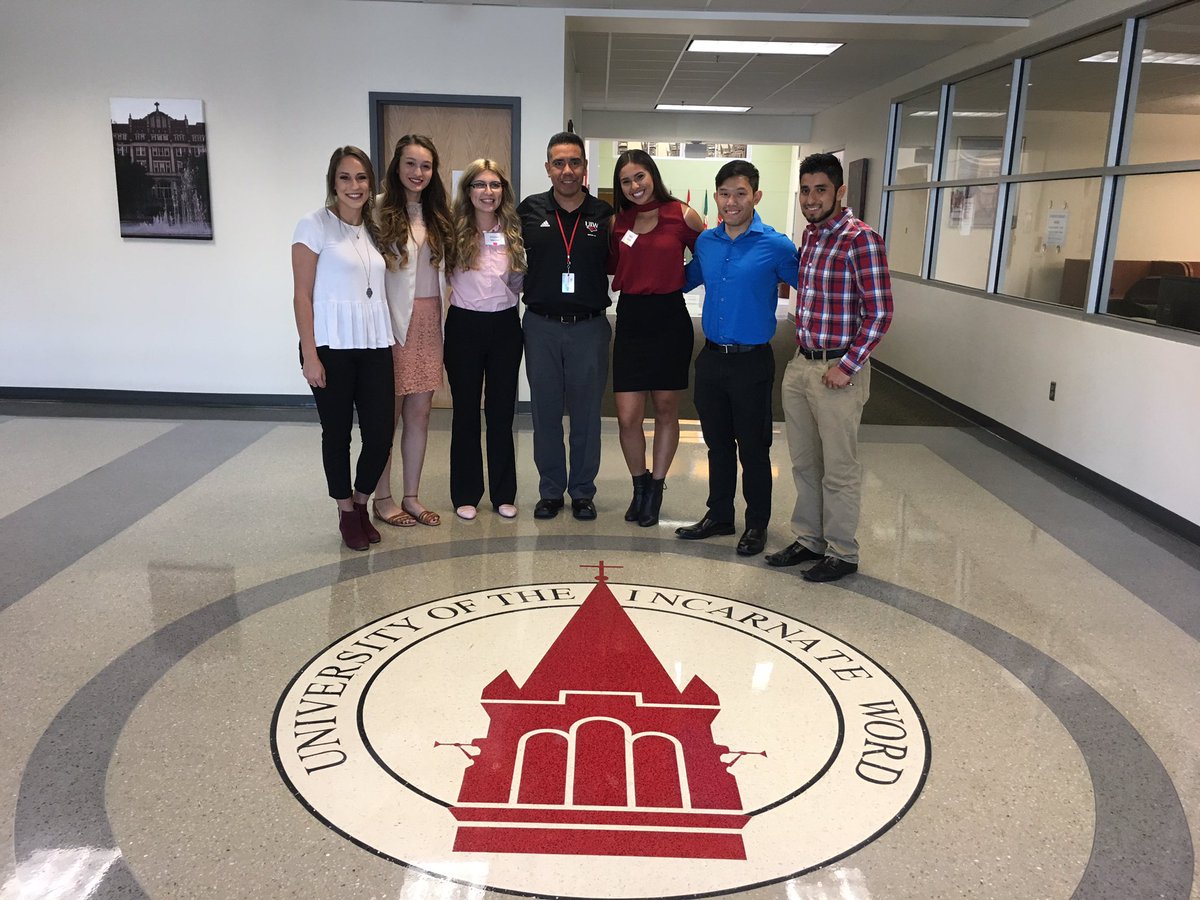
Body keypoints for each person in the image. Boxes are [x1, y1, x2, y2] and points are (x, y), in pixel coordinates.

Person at [766, 153, 893, 582]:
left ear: (839, 191)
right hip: (803, 364)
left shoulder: (861, 239)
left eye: (820, 189)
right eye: (805, 190)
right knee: (804, 463)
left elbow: (879, 314)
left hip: (839, 369)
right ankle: (809, 539)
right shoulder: (813, 236)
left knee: (839, 468)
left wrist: (849, 366)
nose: (811, 198)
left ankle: (842, 550)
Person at [676, 160, 798, 557]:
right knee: (717, 445)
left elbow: (814, 286)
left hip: (751, 363)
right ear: (717, 197)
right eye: (725, 194)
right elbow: (683, 279)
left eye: (740, 193)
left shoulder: (776, 245)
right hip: (711, 360)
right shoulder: (708, 243)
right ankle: (720, 515)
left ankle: (757, 524)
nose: (732, 202)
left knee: (753, 447)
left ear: (756, 196)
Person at [291, 146, 395, 551]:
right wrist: (310, 353)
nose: (355, 186)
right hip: (330, 345)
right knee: (336, 434)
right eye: (345, 178)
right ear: (333, 182)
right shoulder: (313, 225)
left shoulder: (373, 228)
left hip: (373, 342)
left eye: (362, 178)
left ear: (371, 184)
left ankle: (362, 501)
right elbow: (301, 296)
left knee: (380, 432)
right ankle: (345, 511)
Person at [518, 132, 613, 521]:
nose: (567, 171)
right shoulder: (529, 211)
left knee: (587, 415)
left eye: (575, 162)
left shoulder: (605, 215)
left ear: (585, 168)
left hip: (589, 327)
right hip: (541, 326)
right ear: (548, 168)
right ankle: (551, 490)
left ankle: (583, 492)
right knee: (545, 412)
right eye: (559, 163)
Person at [609, 149, 704, 527]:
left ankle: (656, 489)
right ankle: (639, 486)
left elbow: (709, 256)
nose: (634, 186)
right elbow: (614, 265)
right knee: (627, 416)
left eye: (640, 177)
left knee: (666, 408)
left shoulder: (681, 214)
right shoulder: (620, 221)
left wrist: (681, 281)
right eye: (626, 181)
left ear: (653, 175)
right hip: (631, 318)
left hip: (669, 318)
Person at [372, 134, 453, 528]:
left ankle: (412, 495)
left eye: (425, 165)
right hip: (390, 323)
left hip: (429, 321)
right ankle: (382, 496)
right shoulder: (377, 212)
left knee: (420, 414)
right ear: (396, 167)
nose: (418, 172)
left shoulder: (439, 214)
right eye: (410, 163)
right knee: (386, 416)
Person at [445, 160, 526, 521]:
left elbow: (520, 282)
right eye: (480, 185)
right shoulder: (452, 231)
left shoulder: (513, 232)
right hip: (463, 326)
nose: (488, 192)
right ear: (468, 191)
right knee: (465, 412)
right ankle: (465, 492)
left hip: (505, 327)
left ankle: (503, 493)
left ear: (503, 192)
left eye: (495, 185)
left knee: (501, 413)